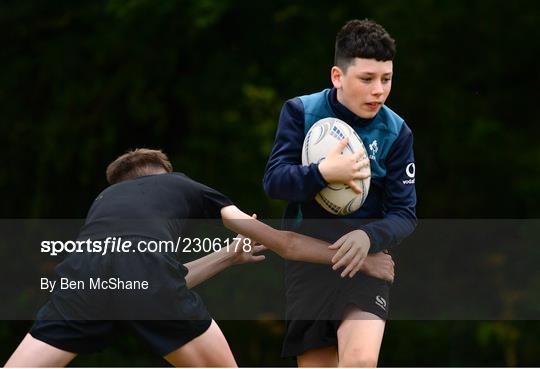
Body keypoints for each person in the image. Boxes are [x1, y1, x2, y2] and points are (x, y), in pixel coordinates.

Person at [5, 148, 394, 367]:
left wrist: (226, 257)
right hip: (144, 274)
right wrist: (361, 259)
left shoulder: (103, 202)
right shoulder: (181, 184)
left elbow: (139, 278)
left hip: (82, 272)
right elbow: (283, 243)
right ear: (164, 174)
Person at [263, 19, 417, 367]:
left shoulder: (397, 132)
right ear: (337, 76)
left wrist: (368, 236)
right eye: (367, 79)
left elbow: (404, 214)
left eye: (386, 79)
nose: (379, 90)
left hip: (367, 262)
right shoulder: (301, 112)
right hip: (309, 262)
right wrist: (323, 174)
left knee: (360, 361)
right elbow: (274, 181)